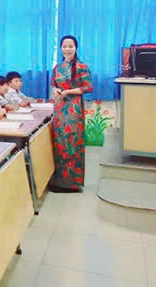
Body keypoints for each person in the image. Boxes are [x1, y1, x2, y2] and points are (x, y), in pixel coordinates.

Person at [49, 35, 94, 193]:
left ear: (76, 48)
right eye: (64, 46)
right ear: (61, 48)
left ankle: (72, 184)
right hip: (59, 109)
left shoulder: (82, 66)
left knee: (72, 145)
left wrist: (68, 91)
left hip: (73, 110)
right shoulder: (57, 67)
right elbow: (53, 85)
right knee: (59, 144)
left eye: (70, 46)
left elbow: (88, 87)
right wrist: (56, 90)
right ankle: (59, 180)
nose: (67, 49)